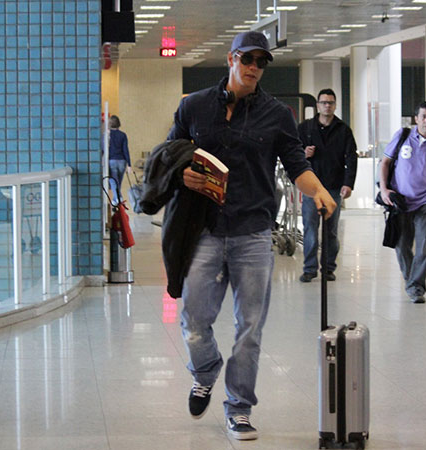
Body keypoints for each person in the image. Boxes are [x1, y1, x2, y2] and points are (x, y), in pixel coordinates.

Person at [166, 31, 336, 440]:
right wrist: (181, 173)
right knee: (192, 321)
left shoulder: (277, 114)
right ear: (231, 59)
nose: (254, 68)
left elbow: (296, 163)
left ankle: (239, 407)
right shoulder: (193, 106)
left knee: (250, 328)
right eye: (248, 59)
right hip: (205, 230)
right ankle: (205, 370)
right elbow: (170, 154)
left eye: (261, 62)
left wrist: (319, 191)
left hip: (254, 234)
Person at [378, 101, 426, 304]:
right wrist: (384, 189)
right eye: (423, 116)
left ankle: (416, 287)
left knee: (423, 248)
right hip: (401, 201)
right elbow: (385, 163)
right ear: (416, 119)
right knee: (402, 245)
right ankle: (411, 280)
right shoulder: (402, 137)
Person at [298, 89, 358, 282]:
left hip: (333, 186)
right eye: (324, 102)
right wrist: (303, 153)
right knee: (310, 229)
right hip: (311, 187)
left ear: (335, 105)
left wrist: (348, 184)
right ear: (317, 105)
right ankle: (309, 268)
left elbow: (351, 158)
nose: (327, 106)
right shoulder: (305, 128)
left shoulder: (343, 130)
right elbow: (292, 154)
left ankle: (329, 268)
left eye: (331, 103)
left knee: (331, 230)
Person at [107, 115, 132, 204]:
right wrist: (129, 164)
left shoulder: (108, 135)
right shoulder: (123, 135)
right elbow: (126, 150)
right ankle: (115, 200)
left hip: (112, 161)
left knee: (113, 181)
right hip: (122, 161)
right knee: (118, 183)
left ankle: (118, 197)